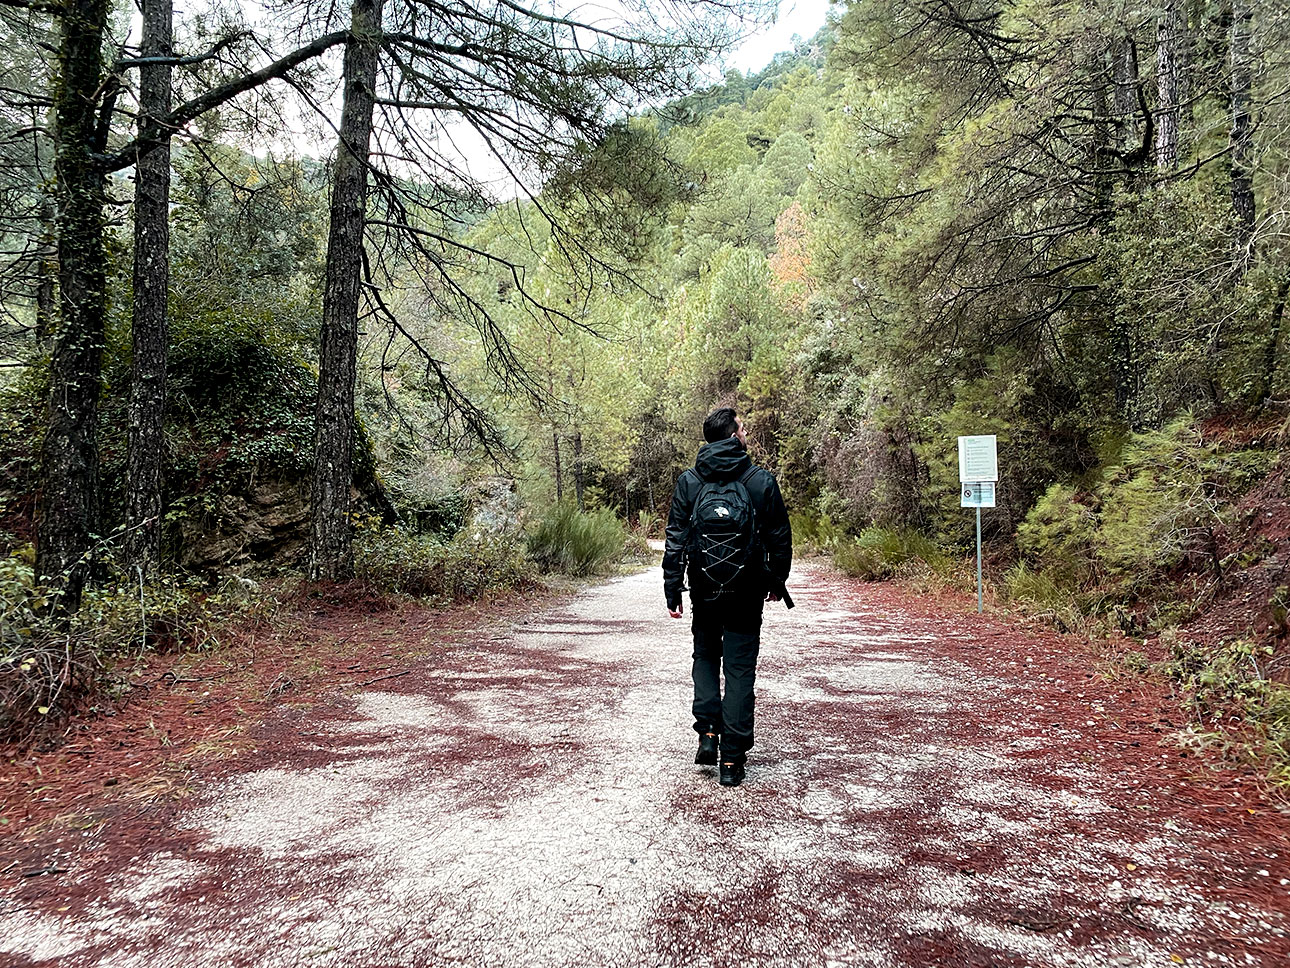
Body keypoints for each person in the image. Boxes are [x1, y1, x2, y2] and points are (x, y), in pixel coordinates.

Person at [663, 407, 792, 787]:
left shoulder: (690, 481)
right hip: (746, 590)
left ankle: (707, 733)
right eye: (743, 427)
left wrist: (673, 588)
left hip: (704, 588)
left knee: (705, 655)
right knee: (739, 668)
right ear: (733, 435)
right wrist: (775, 580)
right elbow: (779, 538)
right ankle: (732, 761)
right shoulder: (759, 480)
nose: (745, 431)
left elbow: (675, 539)